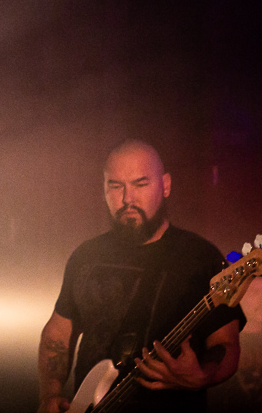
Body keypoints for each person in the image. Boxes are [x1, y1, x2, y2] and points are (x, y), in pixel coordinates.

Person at [37, 140, 244, 413]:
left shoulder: (200, 257)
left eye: (140, 184)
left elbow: (226, 343)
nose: (127, 199)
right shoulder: (86, 256)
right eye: (116, 186)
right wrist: (50, 394)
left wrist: (202, 375)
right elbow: (58, 332)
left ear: (165, 185)